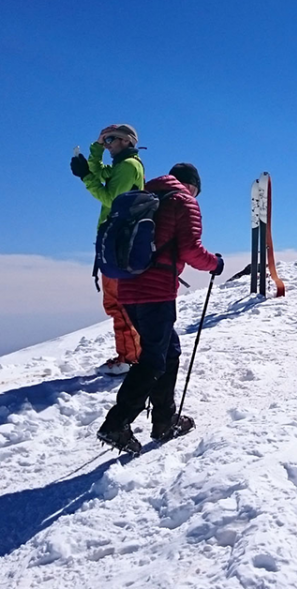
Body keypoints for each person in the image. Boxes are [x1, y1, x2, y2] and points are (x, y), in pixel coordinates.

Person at [97, 163, 225, 454]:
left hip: (128, 289)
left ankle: (164, 420)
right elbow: (191, 249)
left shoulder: (145, 197)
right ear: (192, 186)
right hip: (156, 292)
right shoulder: (183, 201)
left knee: (168, 351)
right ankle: (117, 423)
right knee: (154, 359)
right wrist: (215, 264)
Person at [70, 124, 145, 375]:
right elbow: (100, 172)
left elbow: (110, 199)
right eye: (106, 140)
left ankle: (129, 358)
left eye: (111, 139)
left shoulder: (128, 166)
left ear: (126, 141)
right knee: (117, 302)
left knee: (117, 303)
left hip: (118, 244)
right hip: (116, 242)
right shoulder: (123, 165)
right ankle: (130, 354)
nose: (108, 144)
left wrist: (86, 177)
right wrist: (95, 150)